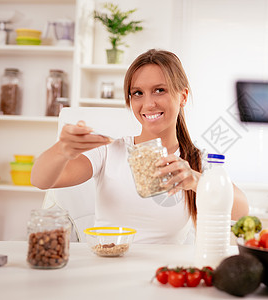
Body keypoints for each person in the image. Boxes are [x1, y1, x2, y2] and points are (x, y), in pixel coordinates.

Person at [31, 49, 249, 244]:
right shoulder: (108, 150)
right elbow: (40, 180)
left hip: (165, 275)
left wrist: (195, 180)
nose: (148, 104)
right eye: (138, 93)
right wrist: (62, 149)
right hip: (108, 266)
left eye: (159, 90)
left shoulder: (194, 161)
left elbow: (242, 212)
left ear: (182, 96)